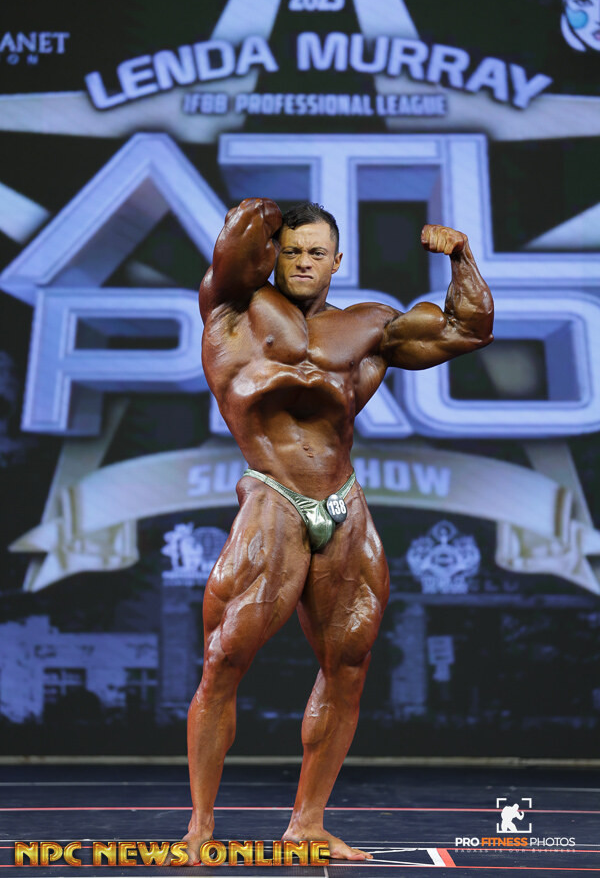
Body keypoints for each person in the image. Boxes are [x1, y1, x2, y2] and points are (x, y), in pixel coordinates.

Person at [184, 198, 493, 863]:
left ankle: (307, 823)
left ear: (337, 261)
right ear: (273, 254)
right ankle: (201, 828)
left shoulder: (369, 325)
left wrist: (462, 257)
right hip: (274, 494)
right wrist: (265, 214)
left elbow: (468, 328)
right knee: (226, 657)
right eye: (292, 250)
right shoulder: (233, 308)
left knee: (348, 665)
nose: (303, 262)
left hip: (344, 501)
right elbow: (234, 244)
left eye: (316, 253)